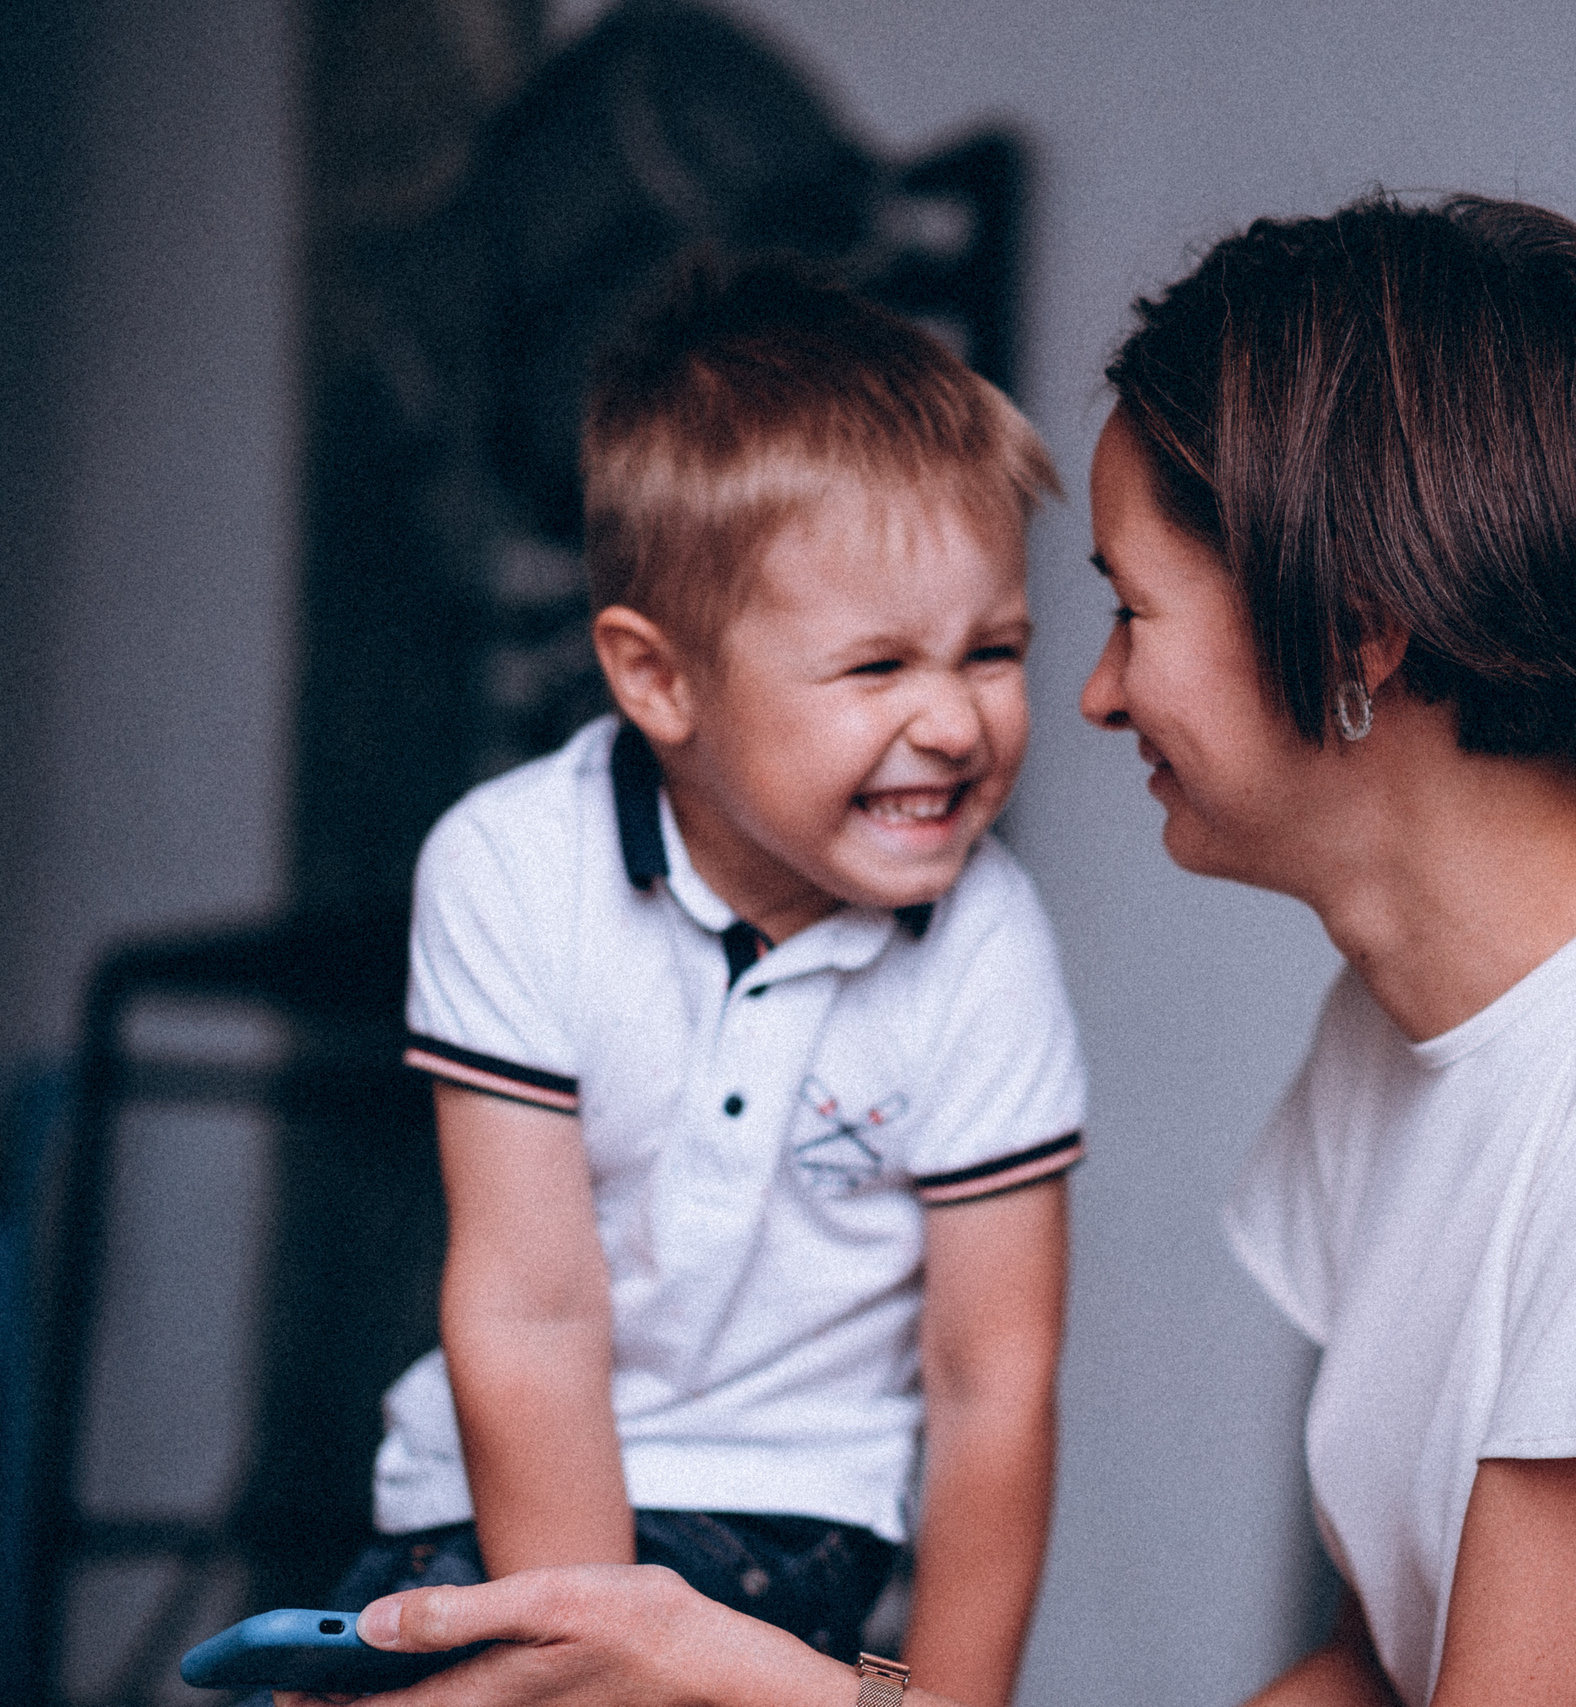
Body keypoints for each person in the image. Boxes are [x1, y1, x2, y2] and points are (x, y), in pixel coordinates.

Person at [287, 194, 1576, 1707]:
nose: (1086, 693)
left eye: (1131, 611)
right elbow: (1379, 1681)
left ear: (1356, 634)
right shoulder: (1398, 1045)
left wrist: (779, 1687)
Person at [339, 256, 1087, 1707]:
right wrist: (585, 1652)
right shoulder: (510, 867)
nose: (953, 719)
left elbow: (993, 1383)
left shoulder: (989, 945)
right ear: (658, 680)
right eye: (876, 668)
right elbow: (532, 1312)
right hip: (494, 1508)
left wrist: (948, 1706)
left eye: (993, 652)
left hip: (787, 1534)